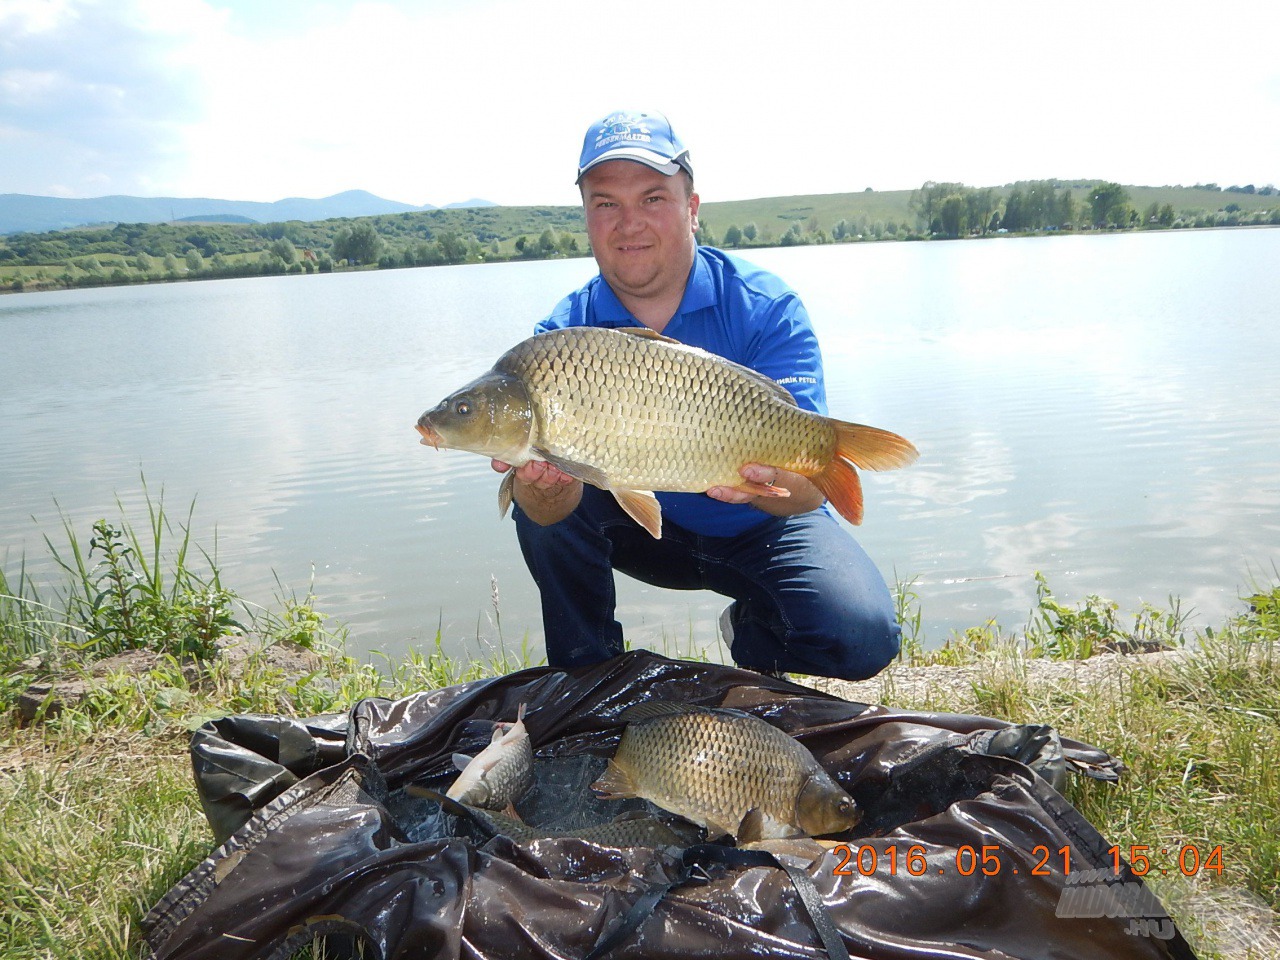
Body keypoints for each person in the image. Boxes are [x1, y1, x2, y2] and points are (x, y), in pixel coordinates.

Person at [491, 109, 900, 681]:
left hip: (759, 526)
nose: (629, 223)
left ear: (692, 208)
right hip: (641, 533)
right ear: (586, 216)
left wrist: (767, 487)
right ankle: (588, 686)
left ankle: (752, 639)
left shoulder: (766, 308)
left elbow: (807, 496)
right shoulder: (562, 338)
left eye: (653, 198)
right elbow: (548, 515)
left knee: (862, 637)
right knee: (535, 503)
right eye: (606, 203)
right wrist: (543, 490)